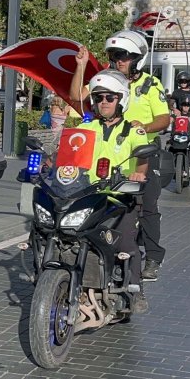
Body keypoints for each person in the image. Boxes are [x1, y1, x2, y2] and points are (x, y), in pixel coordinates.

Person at [70, 30, 170, 282]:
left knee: (147, 204)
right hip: (107, 150)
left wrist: (143, 128)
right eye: (114, 56)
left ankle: (153, 257)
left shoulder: (149, 84)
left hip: (139, 152)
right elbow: (75, 98)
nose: (118, 61)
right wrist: (81, 67)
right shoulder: (105, 81)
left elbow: (164, 118)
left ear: (136, 58)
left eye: (123, 56)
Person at [69, 68, 150, 313]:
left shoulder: (134, 130)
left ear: (121, 99)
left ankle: (135, 289)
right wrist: (50, 163)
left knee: (126, 241)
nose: (103, 102)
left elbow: (143, 156)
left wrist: (139, 172)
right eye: (98, 97)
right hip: (90, 196)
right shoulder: (88, 128)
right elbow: (71, 151)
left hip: (121, 197)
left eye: (109, 98)